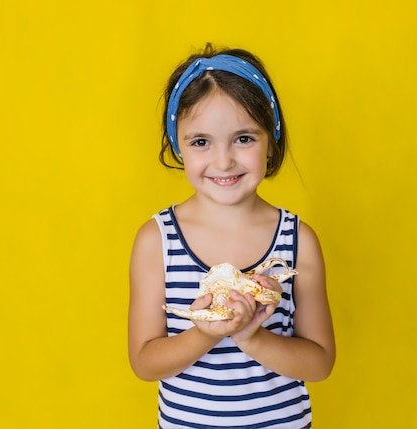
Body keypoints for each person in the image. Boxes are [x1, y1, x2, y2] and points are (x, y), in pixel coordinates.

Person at [128, 43, 335, 428]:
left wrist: (252, 337)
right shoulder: (157, 242)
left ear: (270, 141)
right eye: (201, 141)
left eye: (244, 138)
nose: (223, 161)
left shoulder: (297, 239)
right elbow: (144, 361)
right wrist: (205, 333)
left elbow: (320, 362)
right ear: (179, 145)